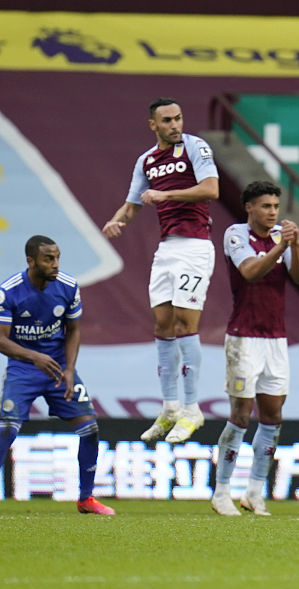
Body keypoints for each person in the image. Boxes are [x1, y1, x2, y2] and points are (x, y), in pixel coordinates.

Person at [0, 236, 115, 515]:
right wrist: (35, 356)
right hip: (23, 368)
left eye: (58, 257)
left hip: (58, 368)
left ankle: (86, 499)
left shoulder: (69, 287)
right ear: (31, 261)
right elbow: (0, 341)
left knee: (90, 428)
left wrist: (70, 369)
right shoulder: (9, 292)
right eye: (49, 259)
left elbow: (73, 330)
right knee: (8, 428)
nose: (55, 264)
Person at [102, 97, 219, 446]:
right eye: (167, 120)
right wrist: (116, 220)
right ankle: (169, 407)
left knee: (186, 322)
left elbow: (211, 189)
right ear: (153, 125)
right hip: (167, 249)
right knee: (162, 326)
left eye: (178, 118)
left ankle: (192, 408)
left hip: (195, 247)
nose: (175, 125)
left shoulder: (195, 147)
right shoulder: (148, 160)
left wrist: (166, 195)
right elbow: (134, 202)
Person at [211, 181, 299, 517]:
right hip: (243, 337)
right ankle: (222, 491)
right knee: (240, 415)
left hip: (276, 339)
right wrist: (282, 246)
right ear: (249, 207)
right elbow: (250, 272)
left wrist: (296, 245)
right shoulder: (236, 235)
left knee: (273, 416)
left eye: (275, 207)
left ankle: (254, 491)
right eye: (265, 206)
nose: (272, 212)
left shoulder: (281, 237)